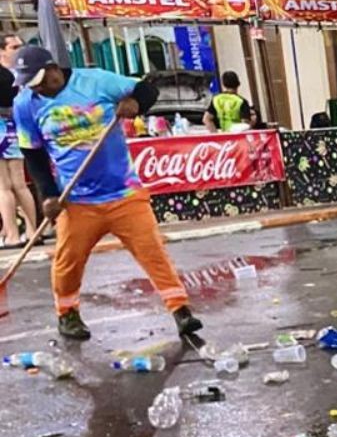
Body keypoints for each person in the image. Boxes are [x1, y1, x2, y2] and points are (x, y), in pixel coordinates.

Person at [13, 45, 201, 342]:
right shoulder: (26, 104)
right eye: (29, 84)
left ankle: (181, 311)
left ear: (53, 70)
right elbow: (32, 153)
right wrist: (48, 195)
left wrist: (136, 103)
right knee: (68, 260)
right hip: (76, 200)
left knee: (152, 252)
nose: (36, 89)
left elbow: (147, 90)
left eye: (38, 81)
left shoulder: (96, 80)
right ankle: (67, 314)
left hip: (124, 193)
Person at [0, 33, 39, 248]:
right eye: (14, 47)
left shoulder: (12, 75)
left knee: (5, 186)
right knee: (17, 183)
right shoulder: (23, 74)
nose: (19, 50)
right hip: (16, 127)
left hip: (8, 126)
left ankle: (13, 234)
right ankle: (32, 231)